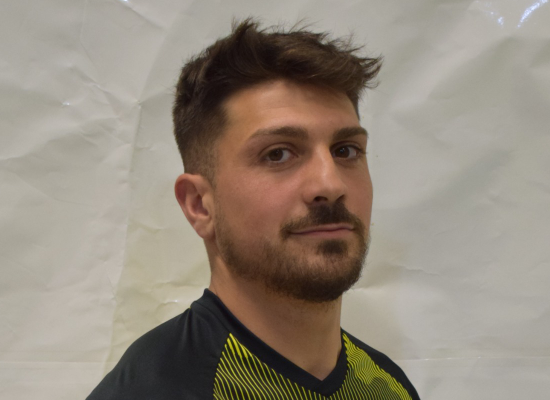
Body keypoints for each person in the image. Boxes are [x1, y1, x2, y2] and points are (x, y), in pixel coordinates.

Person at [87, 19, 420, 400]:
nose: (330, 185)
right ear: (199, 205)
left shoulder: (389, 387)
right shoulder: (148, 392)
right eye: (278, 154)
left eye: (345, 150)